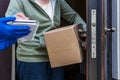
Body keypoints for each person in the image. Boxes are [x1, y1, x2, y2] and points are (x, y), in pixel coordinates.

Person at [6, 0, 86, 80]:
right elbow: (9, 23)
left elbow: (74, 16)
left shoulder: (57, 1)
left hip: (57, 56)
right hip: (32, 58)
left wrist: (86, 34)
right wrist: (17, 20)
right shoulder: (19, 1)